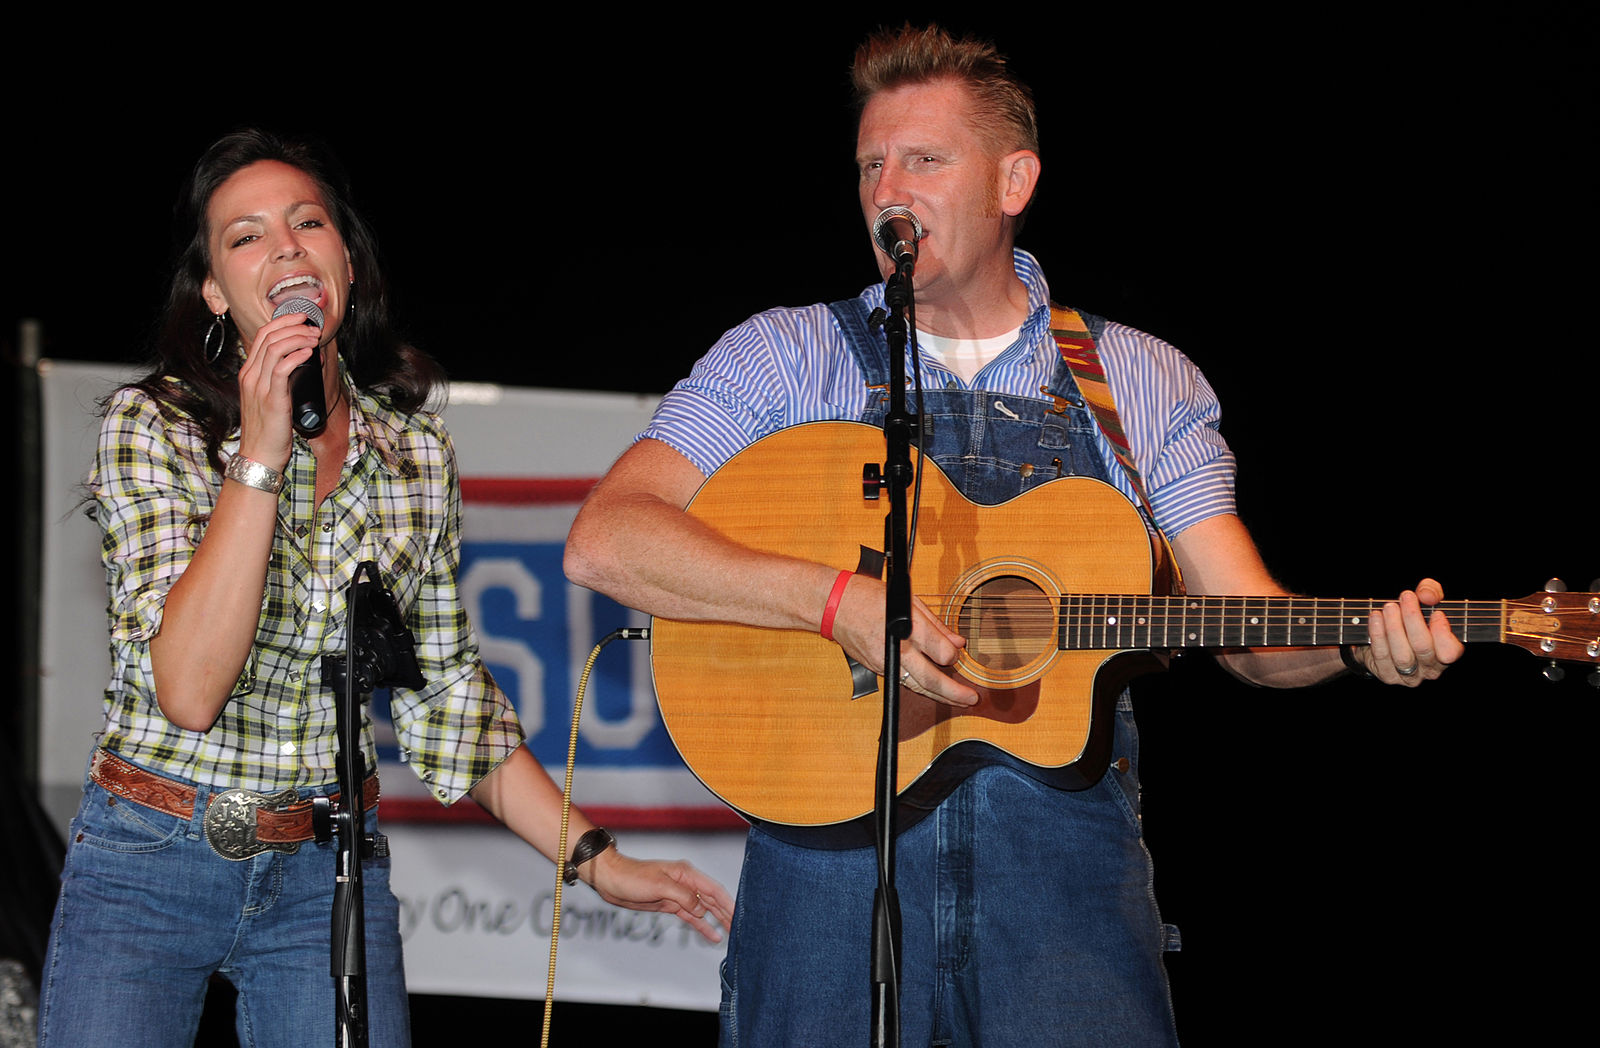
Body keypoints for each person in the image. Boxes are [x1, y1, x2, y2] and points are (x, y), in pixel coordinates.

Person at [563, 24, 1462, 1047]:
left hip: (1063, 883)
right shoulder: (781, 355)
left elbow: (1248, 628)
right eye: (869, 163)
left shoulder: (1140, 378)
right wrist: (831, 601)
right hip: (825, 868)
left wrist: (1355, 638)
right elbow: (608, 539)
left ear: (1013, 179)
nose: (886, 188)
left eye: (924, 159)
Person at [37, 129, 733, 1048]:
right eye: (246, 237)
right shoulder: (151, 427)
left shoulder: (412, 457)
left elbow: (448, 699)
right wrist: (259, 456)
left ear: (345, 266)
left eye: (307, 223)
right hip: (149, 856)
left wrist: (596, 861)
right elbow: (191, 690)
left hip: (327, 873)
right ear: (214, 292)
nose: (284, 246)